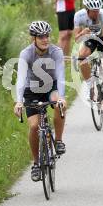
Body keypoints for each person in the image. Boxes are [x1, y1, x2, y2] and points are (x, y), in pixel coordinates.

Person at [14, 21, 67, 182]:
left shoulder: (56, 52)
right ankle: (36, 163)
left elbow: (61, 77)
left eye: (47, 36)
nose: (45, 39)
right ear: (34, 38)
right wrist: (18, 101)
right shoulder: (26, 53)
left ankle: (58, 140)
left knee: (59, 103)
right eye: (41, 37)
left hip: (51, 88)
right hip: (32, 90)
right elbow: (21, 79)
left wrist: (62, 97)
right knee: (34, 126)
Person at [73, 0, 103, 91]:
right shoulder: (78, 16)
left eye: (98, 10)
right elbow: (77, 40)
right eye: (94, 11)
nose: (96, 13)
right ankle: (89, 85)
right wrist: (82, 33)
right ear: (87, 10)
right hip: (91, 38)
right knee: (81, 57)